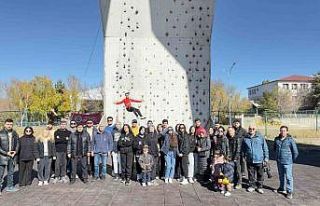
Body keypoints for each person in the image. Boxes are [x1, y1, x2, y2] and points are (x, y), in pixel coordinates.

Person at [242, 125, 269, 194]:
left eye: (253, 129)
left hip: (259, 159)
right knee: (251, 174)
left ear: (255, 129)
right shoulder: (245, 138)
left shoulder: (260, 137)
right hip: (250, 160)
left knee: (260, 174)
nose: (252, 130)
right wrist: (244, 156)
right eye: (250, 129)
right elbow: (243, 149)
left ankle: (259, 187)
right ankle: (252, 186)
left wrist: (266, 158)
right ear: (248, 129)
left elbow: (265, 148)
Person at [273, 126, 299, 199]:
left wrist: (291, 160)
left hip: (288, 162)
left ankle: (289, 191)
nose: (282, 132)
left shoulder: (290, 140)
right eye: (281, 131)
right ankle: (281, 188)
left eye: (284, 131)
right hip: (279, 161)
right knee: (281, 176)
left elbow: (295, 152)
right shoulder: (276, 139)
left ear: (287, 132)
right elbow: (274, 148)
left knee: (288, 177)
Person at [0, 119, 19, 194]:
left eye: (11, 124)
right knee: (0, 174)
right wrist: (6, 153)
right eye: (8, 124)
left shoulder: (15, 133)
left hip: (12, 156)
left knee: (11, 173)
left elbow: (18, 143)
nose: (9, 126)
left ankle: (10, 187)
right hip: (2, 157)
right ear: (5, 124)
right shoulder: (0, 133)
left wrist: (15, 151)